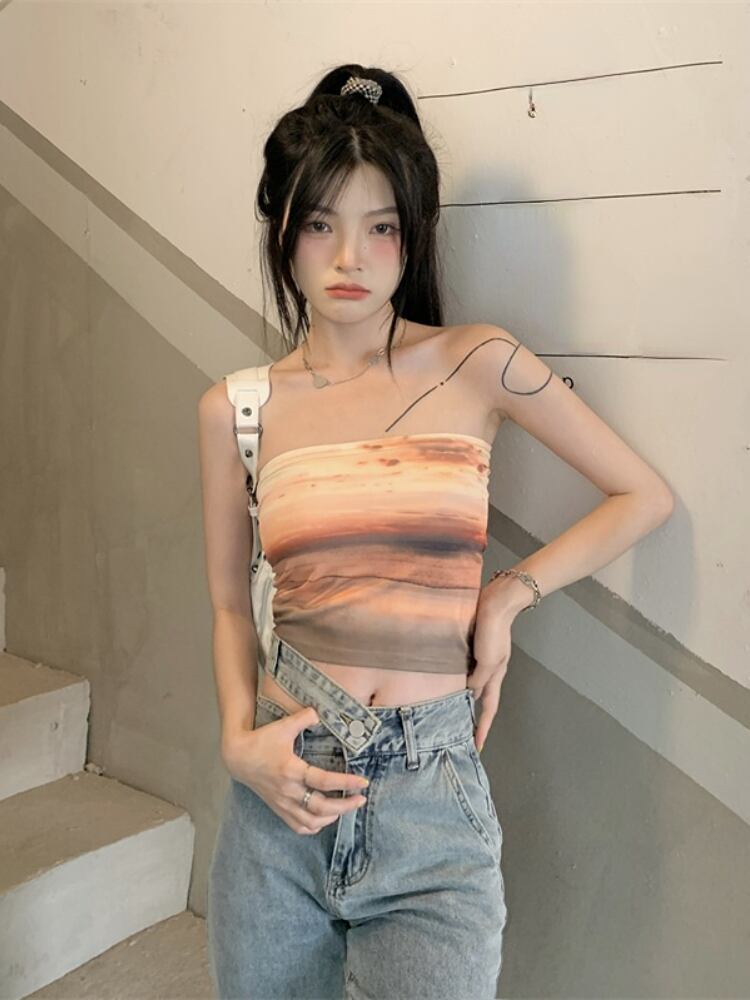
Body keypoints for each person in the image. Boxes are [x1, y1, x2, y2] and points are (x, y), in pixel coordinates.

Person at [197, 64, 674, 1000]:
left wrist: (508, 596)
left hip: (433, 805)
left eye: (381, 227)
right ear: (281, 229)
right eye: (320, 224)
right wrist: (234, 741)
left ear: (413, 235)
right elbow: (224, 602)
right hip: (281, 794)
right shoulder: (237, 410)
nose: (351, 257)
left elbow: (640, 495)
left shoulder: (477, 361)